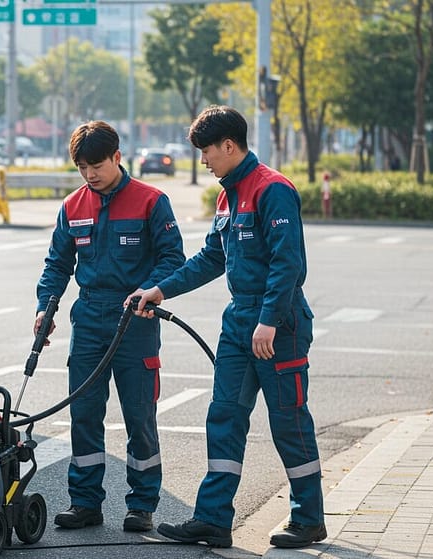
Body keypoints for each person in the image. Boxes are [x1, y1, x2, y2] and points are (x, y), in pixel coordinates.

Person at [126, 105, 325, 549]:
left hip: (280, 322)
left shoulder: (272, 190)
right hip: (239, 323)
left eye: (207, 152)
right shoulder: (227, 194)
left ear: (229, 146)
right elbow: (211, 258)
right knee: (224, 417)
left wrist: (269, 321)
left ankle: (309, 518)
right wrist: (160, 290)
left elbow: (287, 264)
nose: (203, 161)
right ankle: (213, 519)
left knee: (288, 422)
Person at [35, 121, 185, 532]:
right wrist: (44, 309)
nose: (90, 174)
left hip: (135, 323)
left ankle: (142, 505)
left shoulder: (151, 201)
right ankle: (85, 502)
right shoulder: (72, 206)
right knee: (83, 414)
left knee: (139, 416)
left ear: (117, 157)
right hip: (89, 323)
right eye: (82, 167)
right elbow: (58, 266)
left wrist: (151, 291)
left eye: (97, 165)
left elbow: (173, 258)